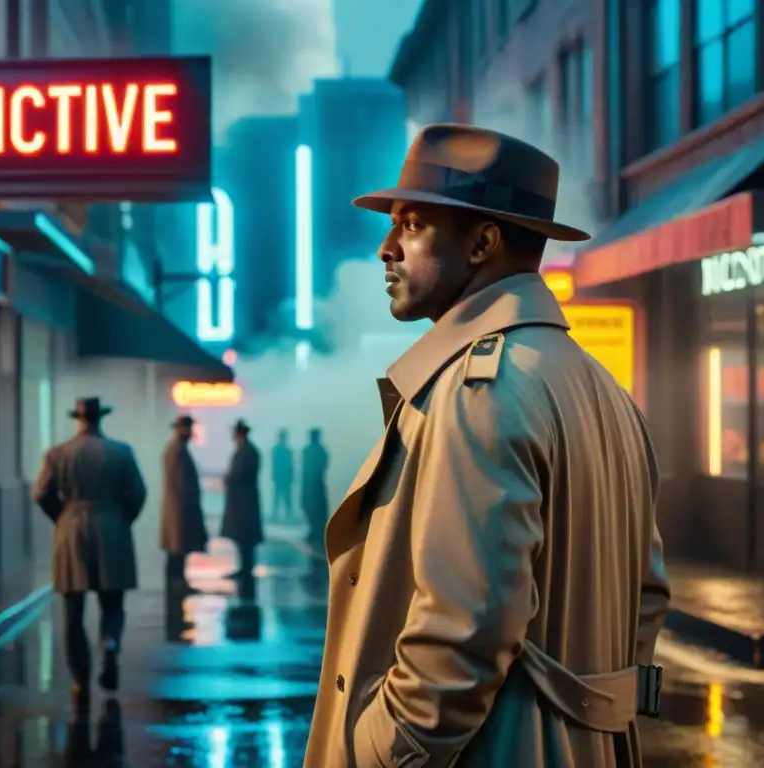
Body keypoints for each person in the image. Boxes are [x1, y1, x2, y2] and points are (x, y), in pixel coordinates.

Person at [303, 124, 670, 768]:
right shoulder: (604, 389)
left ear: (482, 243)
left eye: (412, 224)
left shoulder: (479, 390)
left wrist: (380, 752)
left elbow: (462, 634)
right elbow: (645, 601)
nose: (386, 248)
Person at [32, 397, 147, 716]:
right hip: (112, 527)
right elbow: (138, 493)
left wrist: (63, 517)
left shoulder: (57, 454)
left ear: (78, 419)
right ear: (100, 419)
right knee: (112, 603)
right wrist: (120, 519)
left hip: (71, 530)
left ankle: (81, 678)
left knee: (73, 609)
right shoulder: (121, 452)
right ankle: (110, 644)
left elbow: (41, 493)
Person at [160, 414, 208, 588]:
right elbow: (182, 483)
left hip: (178, 508)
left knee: (178, 548)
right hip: (180, 509)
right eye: (187, 428)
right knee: (177, 548)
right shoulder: (177, 450)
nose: (189, 432)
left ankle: (177, 581)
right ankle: (176, 583)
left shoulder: (177, 448)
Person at [220, 419, 263, 578]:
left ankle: (246, 570)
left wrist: (227, 479)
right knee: (243, 540)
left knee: (245, 539)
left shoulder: (247, 452)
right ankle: (244, 568)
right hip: (243, 502)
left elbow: (238, 475)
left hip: (244, 503)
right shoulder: (247, 450)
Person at [300, 428, 329, 550]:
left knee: (313, 510)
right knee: (315, 510)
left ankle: (317, 534)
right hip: (315, 485)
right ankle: (316, 533)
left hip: (312, 485)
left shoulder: (308, 451)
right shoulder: (321, 451)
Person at [270, 429, 294, 522]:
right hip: (283, 478)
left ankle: (279, 516)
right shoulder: (286, 450)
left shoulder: (278, 450)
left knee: (282, 498)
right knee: (281, 498)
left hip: (281, 478)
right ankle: (283, 516)